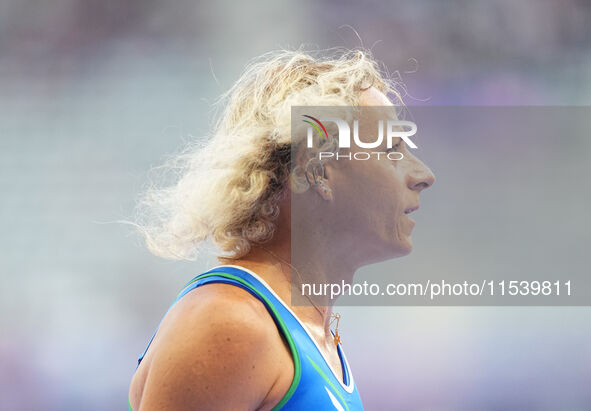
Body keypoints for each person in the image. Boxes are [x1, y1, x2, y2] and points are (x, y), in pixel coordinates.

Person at [128, 49, 435, 410]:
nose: (423, 175)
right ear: (316, 170)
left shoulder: (309, 333)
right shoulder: (231, 322)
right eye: (391, 148)